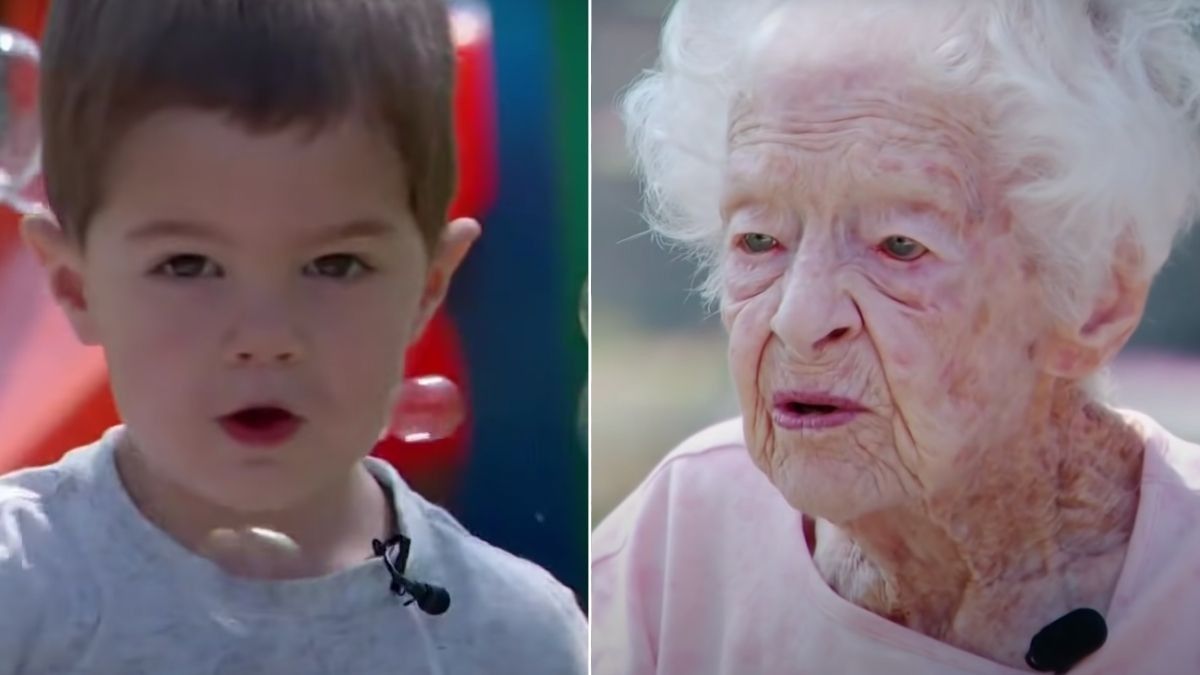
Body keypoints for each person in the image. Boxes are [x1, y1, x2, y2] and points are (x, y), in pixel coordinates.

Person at [593, 1, 1200, 673]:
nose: (798, 318)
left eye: (900, 246)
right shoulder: (676, 544)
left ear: (1094, 301)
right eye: (759, 239)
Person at [0, 0, 586, 672]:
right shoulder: (18, 592)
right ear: (76, 287)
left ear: (428, 288)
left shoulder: (519, 636)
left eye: (334, 265)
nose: (265, 336)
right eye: (187, 264)